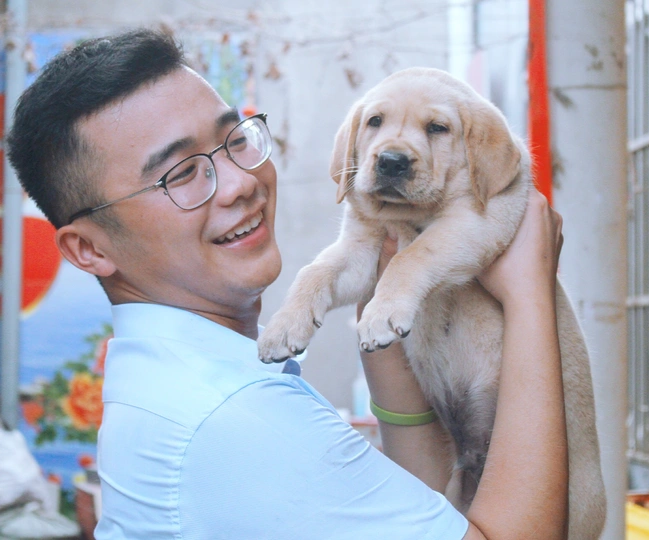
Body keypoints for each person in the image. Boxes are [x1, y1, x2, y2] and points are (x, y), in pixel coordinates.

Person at [8, 29, 568, 539]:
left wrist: (385, 330)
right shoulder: (238, 423)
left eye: (234, 139)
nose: (239, 183)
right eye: (180, 173)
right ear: (89, 249)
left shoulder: (169, 380)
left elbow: (424, 508)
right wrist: (528, 292)